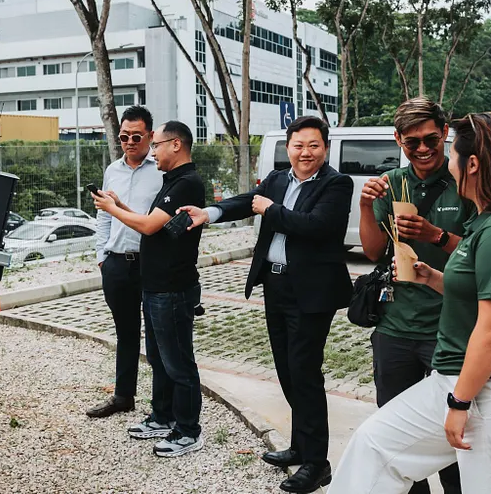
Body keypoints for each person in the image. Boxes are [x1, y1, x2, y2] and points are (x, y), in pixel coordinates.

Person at [331, 112, 491, 493]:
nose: (445, 160)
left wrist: (459, 403)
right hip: (471, 385)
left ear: (472, 164)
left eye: (451, 151)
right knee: (372, 445)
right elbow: (475, 292)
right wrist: (430, 276)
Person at [180, 116, 354, 493]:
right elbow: (248, 202)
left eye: (313, 145)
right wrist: (209, 213)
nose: (305, 152)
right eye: (298, 145)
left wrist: (270, 210)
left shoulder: (336, 184)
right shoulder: (277, 179)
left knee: (304, 373)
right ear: (288, 147)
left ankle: (317, 463)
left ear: (325, 148)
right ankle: (301, 446)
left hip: (311, 293)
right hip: (275, 286)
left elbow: (317, 226)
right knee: (287, 371)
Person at [359, 97, 473, 494]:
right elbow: (373, 251)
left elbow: (481, 256)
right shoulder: (391, 183)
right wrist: (365, 205)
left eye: (431, 139)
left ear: (445, 134)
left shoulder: (464, 181)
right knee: (398, 432)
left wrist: (434, 235)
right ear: (398, 140)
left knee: (455, 434)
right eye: (412, 142)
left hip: (451, 328)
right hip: (396, 325)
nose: (423, 149)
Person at [93, 121, 206, 458]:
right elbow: (155, 224)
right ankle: (162, 416)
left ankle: (188, 430)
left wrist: (112, 209)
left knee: (179, 363)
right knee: (159, 358)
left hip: (173, 286)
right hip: (156, 285)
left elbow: (148, 225)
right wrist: (120, 206)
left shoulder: (187, 183)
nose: (153, 152)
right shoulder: (172, 180)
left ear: (176, 145)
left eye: (156, 145)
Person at [86, 106, 163, 419]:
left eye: (136, 137)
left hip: (151, 263)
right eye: (124, 137)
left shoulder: (162, 170)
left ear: (150, 136)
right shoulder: (112, 170)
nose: (129, 142)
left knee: (157, 336)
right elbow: (104, 216)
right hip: (117, 264)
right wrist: (102, 256)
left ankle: (162, 406)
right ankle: (123, 396)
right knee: (126, 332)